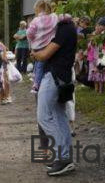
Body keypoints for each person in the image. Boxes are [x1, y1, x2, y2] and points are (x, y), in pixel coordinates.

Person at [32, 14, 77, 176]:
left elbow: (44, 55)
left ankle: (63, 157)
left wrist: (35, 52)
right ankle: (64, 158)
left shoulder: (64, 28)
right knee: (59, 117)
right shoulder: (67, 27)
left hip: (54, 76)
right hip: (61, 76)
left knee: (43, 116)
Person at [27, 0, 58, 93]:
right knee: (39, 64)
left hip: (38, 45)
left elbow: (30, 32)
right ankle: (35, 75)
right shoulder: (54, 17)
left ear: (38, 9)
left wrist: (31, 39)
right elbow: (63, 18)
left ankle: (36, 84)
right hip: (49, 44)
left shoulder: (36, 20)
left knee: (39, 64)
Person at [87, 18, 105, 94]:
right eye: (97, 26)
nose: (97, 28)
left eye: (99, 26)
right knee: (93, 72)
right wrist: (91, 42)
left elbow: (104, 45)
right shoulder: (92, 34)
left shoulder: (104, 35)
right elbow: (89, 45)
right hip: (93, 56)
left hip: (100, 55)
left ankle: (101, 89)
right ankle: (96, 88)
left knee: (101, 72)